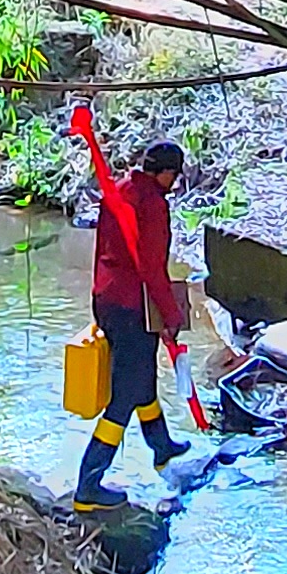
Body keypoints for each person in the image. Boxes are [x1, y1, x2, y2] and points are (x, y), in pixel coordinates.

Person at [67, 105, 192, 509]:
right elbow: (152, 266)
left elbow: (106, 250)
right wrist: (171, 316)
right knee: (124, 396)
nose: (174, 184)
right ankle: (89, 484)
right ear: (167, 173)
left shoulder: (119, 190)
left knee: (141, 378)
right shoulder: (152, 205)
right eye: (175, 176)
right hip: (132, 304)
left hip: (107, 298)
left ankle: (162, 446)